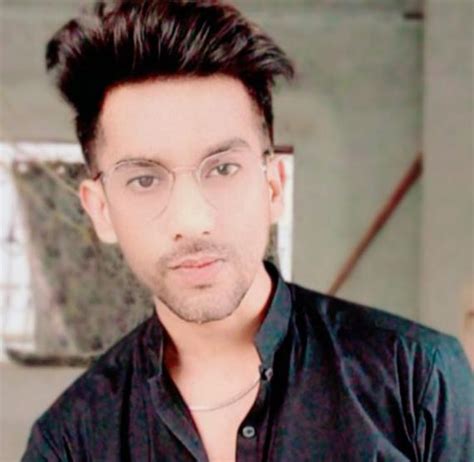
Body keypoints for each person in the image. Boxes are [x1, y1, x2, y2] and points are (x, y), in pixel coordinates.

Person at [23, 1, 473, 461]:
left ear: (273, 186)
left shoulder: (419, 379)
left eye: (222, 168)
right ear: (100, 210)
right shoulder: (69, 441)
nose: (191, 220)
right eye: (144, 180)